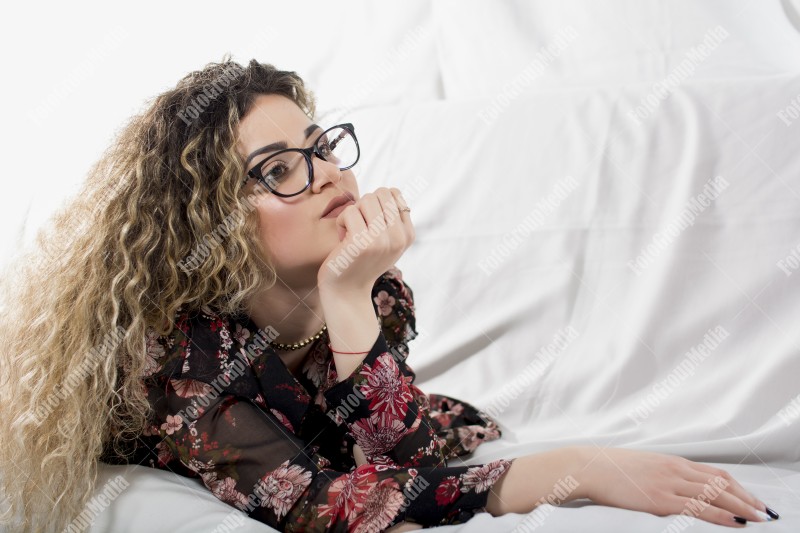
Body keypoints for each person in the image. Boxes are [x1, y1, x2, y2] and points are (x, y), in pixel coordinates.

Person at [0, 56, 780, 532]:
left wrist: (348, 295)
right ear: (213, 217)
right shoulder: (175, 358)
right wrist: (577, 467)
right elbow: (320, 504)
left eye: (321, 148)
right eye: (279, 170)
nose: (331, 175)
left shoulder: (369, 280)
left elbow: (395, 452)